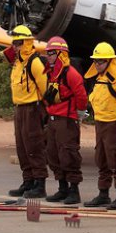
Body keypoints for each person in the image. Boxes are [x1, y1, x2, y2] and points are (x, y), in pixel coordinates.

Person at [2, 25, 49, 199]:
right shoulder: (17, 63)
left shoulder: (34, 62)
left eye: (19, 43)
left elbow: (45, 89)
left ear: (27, 43)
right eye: (14, 43)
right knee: (22, 146)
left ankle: (40, 183)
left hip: (32, 108)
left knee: (34, 145)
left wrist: (44, 113)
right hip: (19, 108)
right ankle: (28, 180)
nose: (15, 46)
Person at [83, 42, 116, 209]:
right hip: (100, 123)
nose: (97, 64)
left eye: (101, 61)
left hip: (114, 124)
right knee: (101, 158)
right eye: (95, 61)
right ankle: (103, 194)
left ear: (110, 62)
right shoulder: (99, 79)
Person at [43, 36, 88, 204]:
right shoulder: (51, 73)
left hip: (67, 120)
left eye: (51, 53)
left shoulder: (71, 74)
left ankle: (74, 190)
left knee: (68, 154)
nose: (48, 56)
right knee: (53, 154)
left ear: (61, 54)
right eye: (47, 53)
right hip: (53, 119)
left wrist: (80, 113)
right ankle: (62, 188)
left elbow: (81, 95)